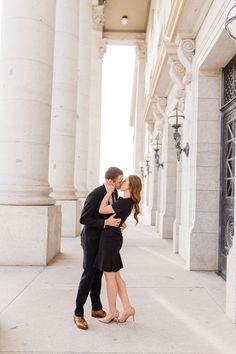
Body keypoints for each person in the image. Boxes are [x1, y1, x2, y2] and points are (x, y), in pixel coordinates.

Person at [74, 167, 124, 330]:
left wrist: (118, 222)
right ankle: (78, 313)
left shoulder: (115, 194)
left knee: (98, 272)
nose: (121, 183)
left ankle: (96, 308)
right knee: (89, 273)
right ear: (110, 181)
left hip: (103, 240)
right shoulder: (96, 194)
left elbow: (111, 213)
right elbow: (84, 218)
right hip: (90, 239)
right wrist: (105, 223)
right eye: (119, 181)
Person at [94, 175, 142, 324]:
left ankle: (113, 310)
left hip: (110, 239)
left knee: (109, 276)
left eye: (126, 180)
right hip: (113, 238)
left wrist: (108, 191)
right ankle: (127, 308)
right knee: (115, 275)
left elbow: (101, 210)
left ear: (131, 185)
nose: (122, 182)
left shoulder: (124, 202)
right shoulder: (127, 202)